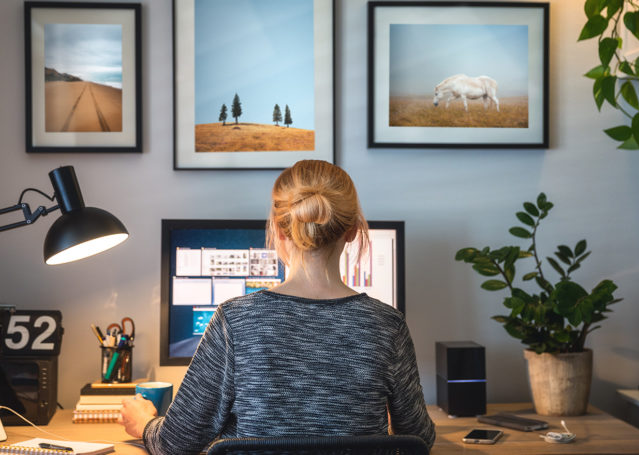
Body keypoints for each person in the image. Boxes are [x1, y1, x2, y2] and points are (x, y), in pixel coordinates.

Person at [119, 160, 435, 453]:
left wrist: (145, 424)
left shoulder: (235, 320)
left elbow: (178, 442)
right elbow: (419, 438)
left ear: (279, 229)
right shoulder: (387, 324)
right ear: (353, 230)